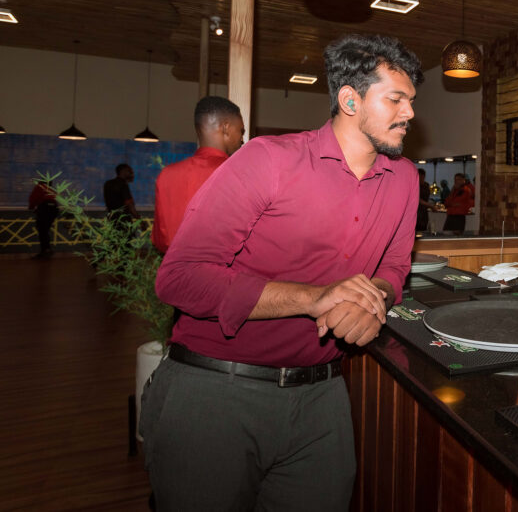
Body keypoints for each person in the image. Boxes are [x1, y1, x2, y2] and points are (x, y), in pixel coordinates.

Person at [140, 34, 423, 510]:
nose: (410, 112)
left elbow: (394, 266)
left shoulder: (406, 179)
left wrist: (375, 296)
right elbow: (179, 277)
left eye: (411, 101)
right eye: (395, 99)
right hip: (214, 392)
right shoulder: (269, 159)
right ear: (349, 99)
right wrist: (314, 298)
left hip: (322, 396)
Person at [151, 96, 245, 253]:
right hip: (223, 273)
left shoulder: (166, 175)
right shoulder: (239, 174)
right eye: (241, 131)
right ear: (226, 128)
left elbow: (160, 241)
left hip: (175, 272)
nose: (242, 139)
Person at [28, 180, 58, 258]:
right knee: (45, 230)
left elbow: (33, 198)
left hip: (45, 208)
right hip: (54, 209)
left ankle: (45, 250)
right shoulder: (51, 189)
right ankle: (47, 249)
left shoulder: (40, 187)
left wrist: (31, 207)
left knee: (42, 230)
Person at [416, 167, 433, 232]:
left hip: (423, 213)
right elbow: (417, 199)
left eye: (422, 176)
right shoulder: (415, 185)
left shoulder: (426, 185)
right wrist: (431, 206)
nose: (421, 178)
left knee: (423, 230)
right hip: (416, 212)